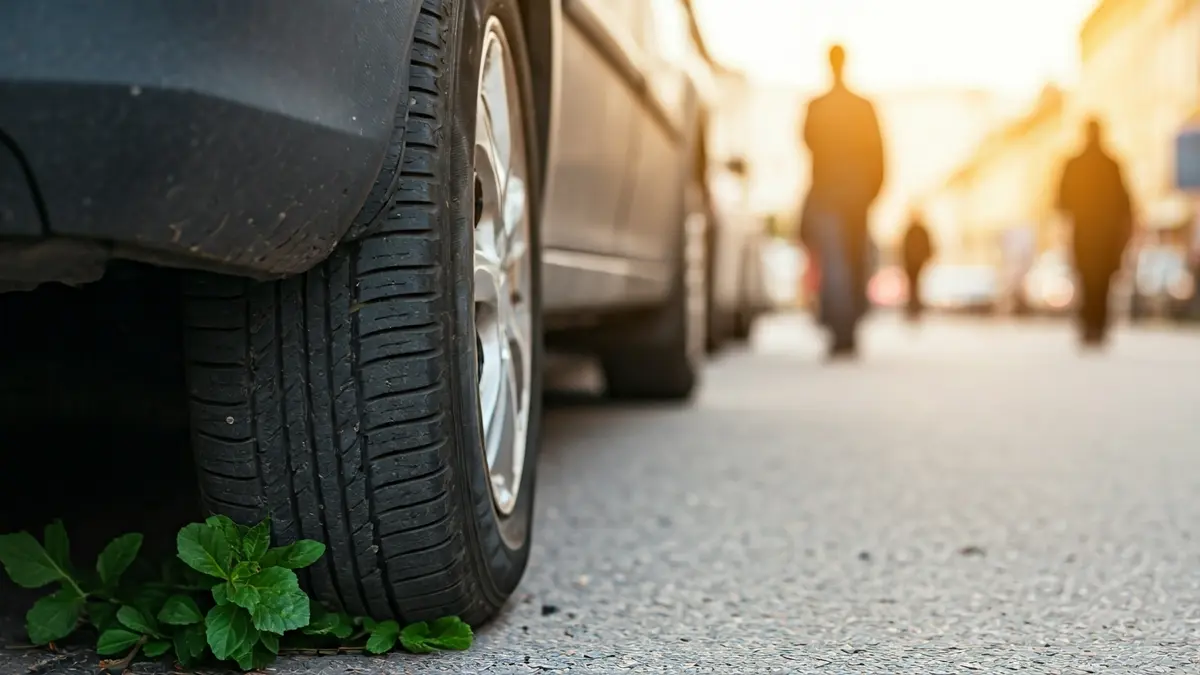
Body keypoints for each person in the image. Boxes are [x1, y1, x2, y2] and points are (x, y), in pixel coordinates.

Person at [798, 44, 886, 358]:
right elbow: (879, 153)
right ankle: (848, 330)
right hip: (856, 195)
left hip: (829, 194)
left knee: (836, 262)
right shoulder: (862, 106)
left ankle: (840, 329)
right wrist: (871, 192)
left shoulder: (817, 106)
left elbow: (806, 142)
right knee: (851, 260)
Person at [1054, 117, 1134, 347]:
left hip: (1085, 233)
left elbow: (1061, 200)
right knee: (1102, 282)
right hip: (1106, 234)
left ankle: (1089, 326)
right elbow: (1125, 202)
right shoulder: (1111, 164)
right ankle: (1097, 327)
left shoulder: (1075, 163)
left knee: (1087, 279)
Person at [900, 210, 935, 321]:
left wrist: (927, 256)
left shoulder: (916, 230)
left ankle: (914, 307)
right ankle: (913, 307)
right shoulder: (912, 230)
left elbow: (926, 244)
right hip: (911, 261)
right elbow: (904, 246)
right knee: (913, 285)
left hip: (916, 261)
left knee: (915, 285)